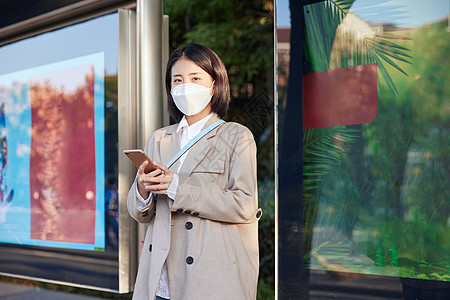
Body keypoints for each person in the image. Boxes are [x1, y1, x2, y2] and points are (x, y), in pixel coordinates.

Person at [127, 43, 261, 300]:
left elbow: (244, 205)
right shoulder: (158, 139)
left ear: (214, 85)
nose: (185, 86)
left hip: (210, 278)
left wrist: (177, 187)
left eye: (195, 78)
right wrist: (143, 189)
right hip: (160, 280)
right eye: (177, 80)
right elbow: (140, 215)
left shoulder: (235, 135)